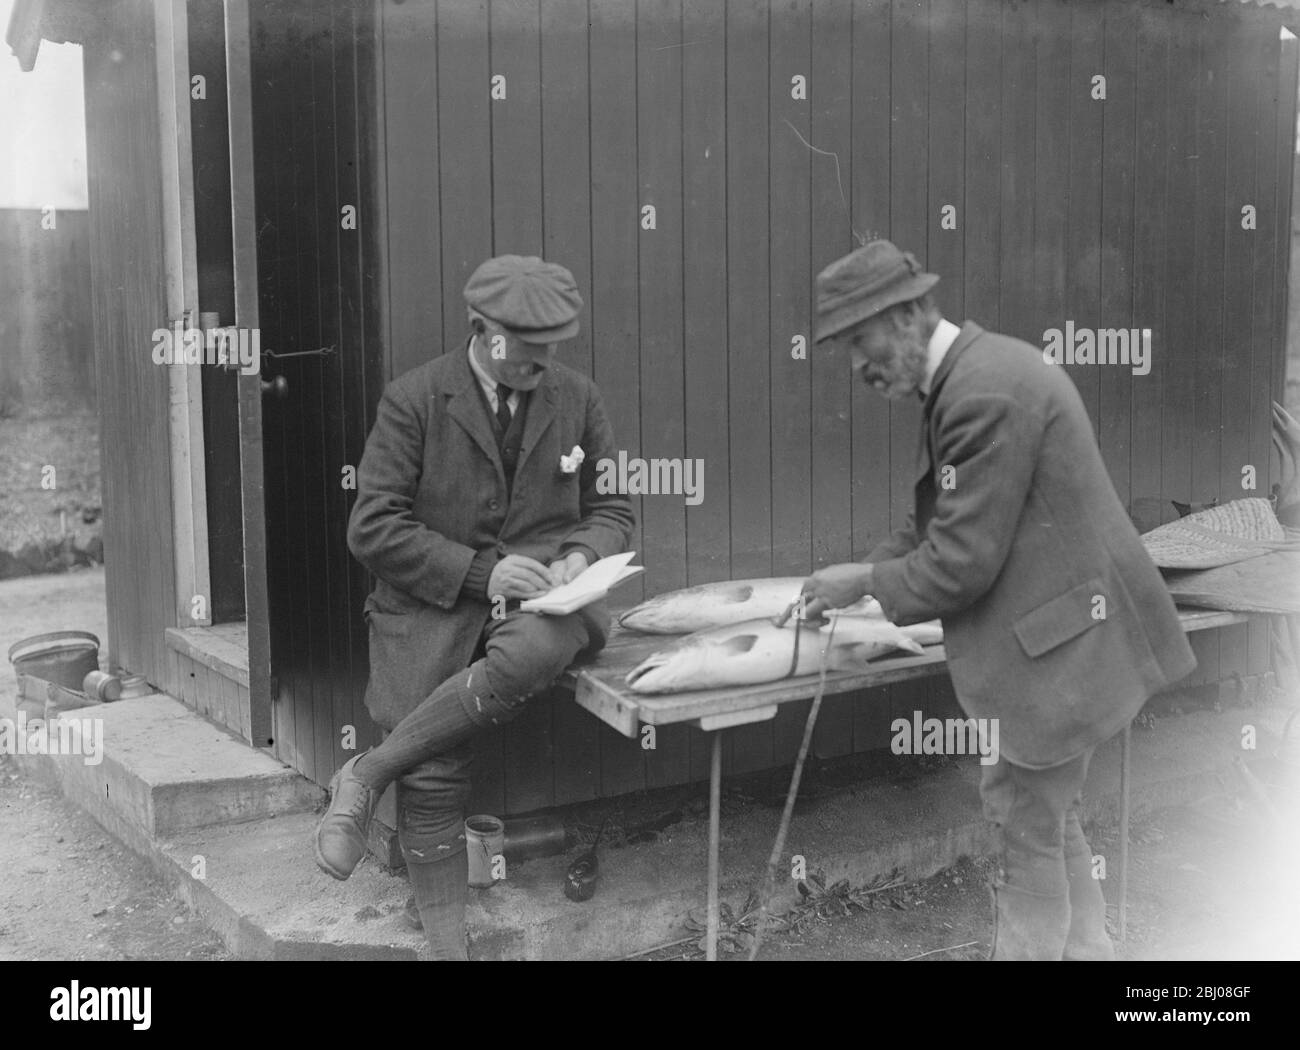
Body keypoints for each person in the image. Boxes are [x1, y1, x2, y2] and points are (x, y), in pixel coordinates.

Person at [797, 239, 1196, 960]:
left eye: (861, 340)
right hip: (1066, 638)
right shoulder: (975, 373)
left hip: (1058, 655)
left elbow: (959, 568)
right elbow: (941, 524)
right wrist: (867, 566)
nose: (856, 366)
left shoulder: (980, 393)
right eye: (843, 349)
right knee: (1048, 820)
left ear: (913, 313)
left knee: (1024, 827)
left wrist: (862, 583)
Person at [314, 255, 635, 959]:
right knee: (434, 769)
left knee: (539, 648)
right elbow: (371, 528)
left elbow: (613, 507)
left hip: (542, 606)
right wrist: (480, 572)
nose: (544, 361)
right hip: (432, 605)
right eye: (528, 346)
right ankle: (449, 947)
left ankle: (367, 772)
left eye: (554, 345)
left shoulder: (577, 397)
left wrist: (578, 555)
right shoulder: (415, 399)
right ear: (482, 331)